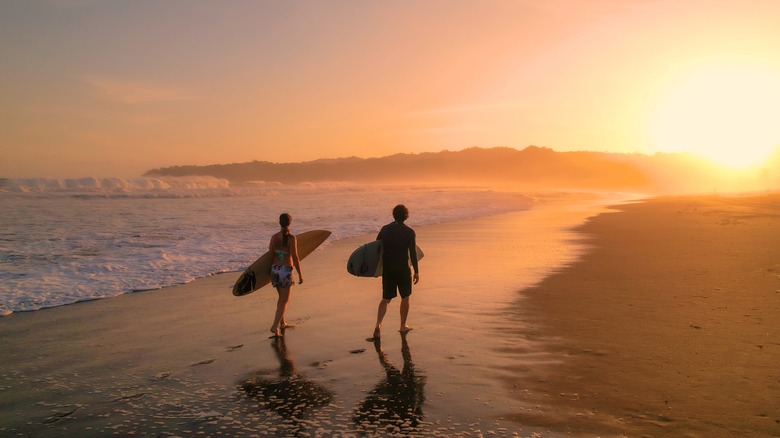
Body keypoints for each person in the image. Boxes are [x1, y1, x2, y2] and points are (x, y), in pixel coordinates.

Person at [371, 204, 419, 340]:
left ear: (393, 215)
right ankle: (402, 326)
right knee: (405, 298)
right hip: (403, 269)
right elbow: (413, 253)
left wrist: (376, 269)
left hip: (388, 269)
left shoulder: (384, 230)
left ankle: (378, 324)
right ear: (406, 216)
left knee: (385, 299)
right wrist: (416, 271)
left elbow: (377, 248)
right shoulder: (409, 232)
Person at [269, 213, 303, 337]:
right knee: (285, 300)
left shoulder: (274, 237)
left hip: (275, 270)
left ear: (279, 222)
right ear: (290, 222)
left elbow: (270, 254)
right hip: (285, 271)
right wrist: (300, 274)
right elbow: (295, 257)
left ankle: (282, 323)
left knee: (281, 298)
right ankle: (274, 326)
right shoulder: (291, 238)